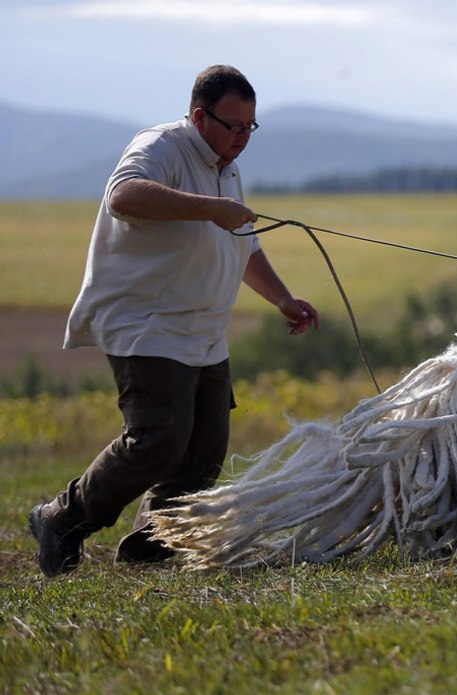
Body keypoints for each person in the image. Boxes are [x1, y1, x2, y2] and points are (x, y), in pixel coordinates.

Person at [28, 65, 321, 576]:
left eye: (250, 127)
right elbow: (123, 196)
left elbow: (242, 246)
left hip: (204, 331)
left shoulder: (226, 163)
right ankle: (61, 519)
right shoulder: (160, 146)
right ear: (198, 116)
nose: (241, 138)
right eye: (232, 126)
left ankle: (153, 542)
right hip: (146, 322)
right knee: (158, 439)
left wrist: (282, 298)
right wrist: (210, 208)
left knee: (204, 448)